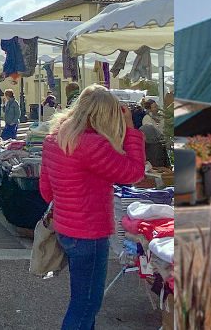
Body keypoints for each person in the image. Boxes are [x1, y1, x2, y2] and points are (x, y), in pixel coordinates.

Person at [40, 85, 146, 329]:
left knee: (81, 301)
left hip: (66, 229)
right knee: (85, 306)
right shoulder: (92, 145)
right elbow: (134, 172)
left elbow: (46, 191)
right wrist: (130, 130)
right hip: (90, 232)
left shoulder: (55, 139)